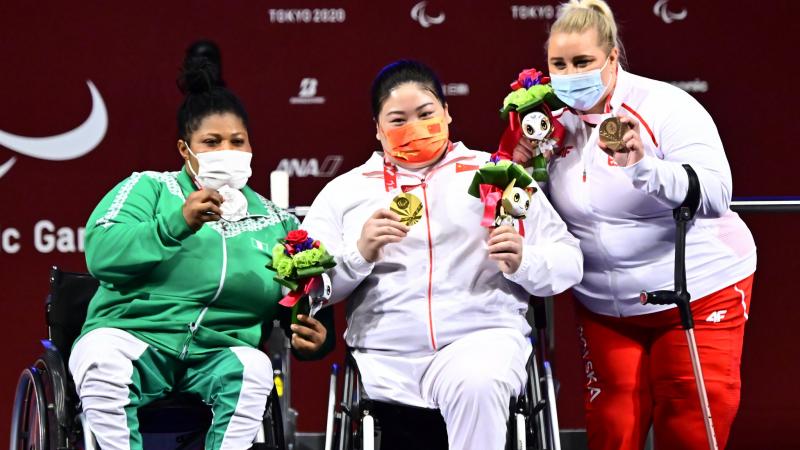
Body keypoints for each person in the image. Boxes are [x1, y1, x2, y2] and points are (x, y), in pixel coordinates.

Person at [302, 60, 583, 450]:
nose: (414, 128)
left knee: (477, 383)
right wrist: (359, 253)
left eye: (426, 114)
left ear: (448, 113)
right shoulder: (345, 192)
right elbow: (311, 286)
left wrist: (524, 261)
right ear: (378, 129)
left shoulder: (496, 174)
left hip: (479, 341)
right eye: (397, 119)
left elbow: (568, 259)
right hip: (386, 358)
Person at [512, 1, 757, 448]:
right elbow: (539, 214)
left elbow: (717, 194)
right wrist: (523, 175)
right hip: (606, 307)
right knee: (613, 432)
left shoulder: (665, 105)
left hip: (698, 293)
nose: (569, 74)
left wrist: (642, 166)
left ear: (611, 58)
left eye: (582, 62)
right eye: (559, 64)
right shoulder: (548, 124)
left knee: (690, 430)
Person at [68, 54, 334, 450]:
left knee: (255, 368)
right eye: (211, 142)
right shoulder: (150, 189)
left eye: (236, 142)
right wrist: (176, 223)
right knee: (102, 362)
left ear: (250, 147)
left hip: (219, 351)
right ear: (185, 149)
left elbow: (301, 302)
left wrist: (314, 340)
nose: (226, 150)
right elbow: (102, 252)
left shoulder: (281, 223)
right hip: (132, 337)